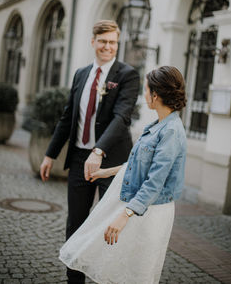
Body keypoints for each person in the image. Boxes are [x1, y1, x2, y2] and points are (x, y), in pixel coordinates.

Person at [59, 65, 187, 284]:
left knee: (136, 273)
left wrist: (124, 215)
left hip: (150, 212)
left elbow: (154, 182)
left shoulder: (171, 132)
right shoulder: (157, 125)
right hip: (139, 207)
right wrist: (103, 173)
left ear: (155, 95)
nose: (143, 95)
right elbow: (136, 164)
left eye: (146, 90)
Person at [40, 20, 140, 284]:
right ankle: (75, 279)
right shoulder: (81, 74)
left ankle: (106, 277)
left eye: (113, 42)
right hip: (79, 158)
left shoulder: (127, 75)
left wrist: (99, 150)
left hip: (113, 160)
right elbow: (68, 117)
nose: (108, 47)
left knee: (108, 225)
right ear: (93, 42)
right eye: (103, 41)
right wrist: (50, 155)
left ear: (117, 43)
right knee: (76, 223)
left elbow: (121, 117)